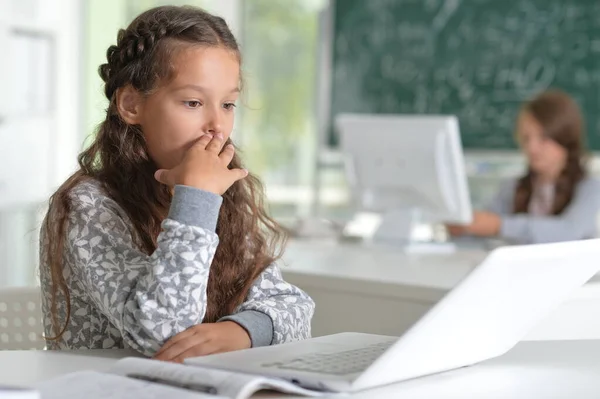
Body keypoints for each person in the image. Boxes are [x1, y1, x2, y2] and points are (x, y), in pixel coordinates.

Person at [39, 5, 315, 362]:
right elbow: (160, 335)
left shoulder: (223, 197)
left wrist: (241, 331)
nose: (217, 125)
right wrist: (196, 201)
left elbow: (294, 308)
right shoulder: (87, 207)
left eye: (229, 104)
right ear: (131, 105)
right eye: (193, 102)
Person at [448, 90, 600, 244]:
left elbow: (568, 232)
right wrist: (463, 227)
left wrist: (500, 225)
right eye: (526, 138)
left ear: (565, 138)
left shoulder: (591, 188)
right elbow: (483, 229)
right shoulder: (512, 188)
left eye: (544, 138)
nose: (532, 148)